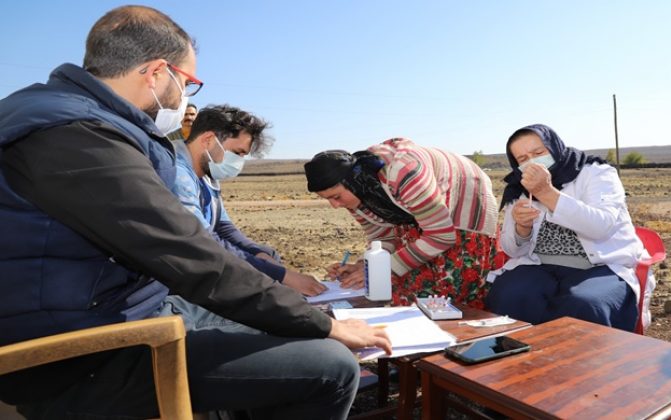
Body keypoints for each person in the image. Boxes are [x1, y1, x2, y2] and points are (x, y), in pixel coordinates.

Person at [0, 5, 390, 420]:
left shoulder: (67, 117)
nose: (185, 96)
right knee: (332, 369)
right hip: (81, 357)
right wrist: (327, 326)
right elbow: (189, 254)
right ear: (156, 73)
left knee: (275, 332)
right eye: (187, 82)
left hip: (117, 319)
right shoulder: (77, 137)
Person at [485, 124, 646, 331]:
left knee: (585, 304)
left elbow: (601, 226)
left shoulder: (596, 173)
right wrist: (521, 228)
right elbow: (512, 250)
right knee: (508, 293)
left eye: (539, 153)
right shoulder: (518, 188)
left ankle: (578, 362)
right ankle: (519, 360)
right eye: (523, 159)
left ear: (555, 147)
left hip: (598, 267)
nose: (532, 162)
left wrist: (546, 192)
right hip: (540, 265)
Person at [304, 138, 499, 307]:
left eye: (336, 197)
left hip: (463, 200)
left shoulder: (402, 172)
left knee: (450, 289)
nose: (335, 205)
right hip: (417, 211)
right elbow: (382, 237)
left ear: (354, 181)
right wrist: (365, 265)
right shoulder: (358, 190)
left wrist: (379, 269)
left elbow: (441, 236)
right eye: (327, 199)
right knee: (407, 283)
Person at [174, 105, 327, 296]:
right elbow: (204, 241)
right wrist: (281, 275)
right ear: (208, 140)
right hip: (177, 282)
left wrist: (256, 252)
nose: (239, 162)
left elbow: (224, 227)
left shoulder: (207, 175)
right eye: (237, 153)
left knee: (268, 256)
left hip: (199, 268)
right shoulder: (176, 174)